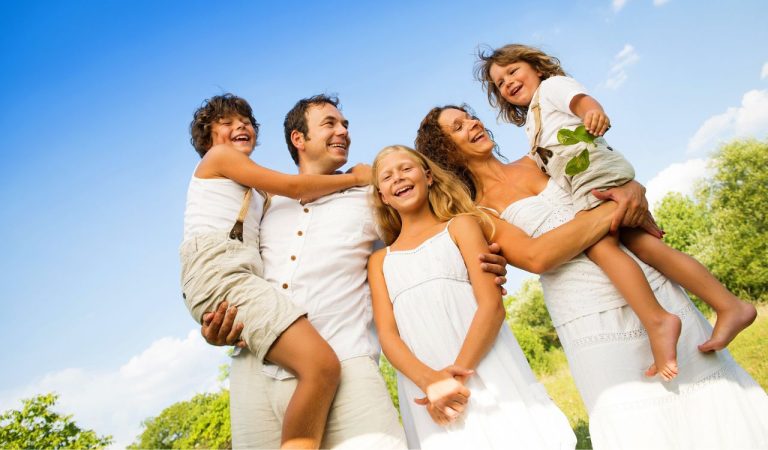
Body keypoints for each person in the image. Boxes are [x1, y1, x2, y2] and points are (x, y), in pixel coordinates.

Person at [199, 94, 642, 449]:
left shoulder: (370, 199)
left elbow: (422, 243)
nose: (345, 131)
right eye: (331, 123)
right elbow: (235, 274)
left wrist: (481, 259)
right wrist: (216, 326)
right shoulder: (263, 203)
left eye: (346, 124)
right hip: (258, 364)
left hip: (346, 358)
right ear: (299, 138)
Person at [416, 104, 768, 449]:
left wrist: (630, 189)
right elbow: (538, 256)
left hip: (646, 281)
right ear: (444, 152)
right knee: (634, 421)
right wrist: (617, 209)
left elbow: (601, 177)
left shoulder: (539, 157)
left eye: (470, 117)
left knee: (708, 393)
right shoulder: (479, 212)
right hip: (587, 311)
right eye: (457, 127)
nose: (472, 124)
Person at [473, 43, 757, 380]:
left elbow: (579, 100)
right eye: (500, 83)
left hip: (595, 174)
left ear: (536, 67)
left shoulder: (551, 89)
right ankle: (728, 305)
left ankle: (658, 321)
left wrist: (592, 111)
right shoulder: (532, 124)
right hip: (588, 178)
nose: (507, 83)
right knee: (647, 246)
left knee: (599, 245)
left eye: (512, 72)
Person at [181, 94, 373, 448]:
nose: (241, 126)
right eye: (227, 123)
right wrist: (357, 178)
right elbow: (295, 187)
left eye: (247, 122)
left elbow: (304, 196)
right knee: (321, 367)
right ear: (207, 139)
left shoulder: (259, 196)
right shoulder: (219, 158)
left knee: (318, 368)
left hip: (239, 276)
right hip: (221, 270)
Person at [368, 145, 576, 449]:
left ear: (428, 177)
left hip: (483, 366)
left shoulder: (461, 226)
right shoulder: (380, 262)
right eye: (387, 176)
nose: (398, 177)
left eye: (406, 168)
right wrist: (431, 382)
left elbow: (492, 306)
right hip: (425, 383)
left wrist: (455, 378)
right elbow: (387, 335)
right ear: (383, 196)